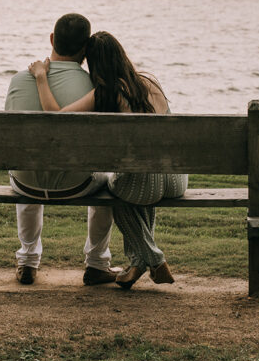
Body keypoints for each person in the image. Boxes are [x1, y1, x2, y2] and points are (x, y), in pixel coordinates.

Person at [28, 31, 187, 290]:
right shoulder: (150, 81)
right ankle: (136, 263)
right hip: (176, 179)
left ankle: (154, 259)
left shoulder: (107, 92)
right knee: (136, 187)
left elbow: (56, 117)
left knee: (116, 190)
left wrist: (41, 77)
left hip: (145, 183)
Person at [4, 14, 120, 286]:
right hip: (76, 184)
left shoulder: (19, 81)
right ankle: (97, 262)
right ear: (86, 49)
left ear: (52, 39)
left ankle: (28, 260)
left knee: (27, 163)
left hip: (26, 184)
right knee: (109, 182)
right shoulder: (95, 87)